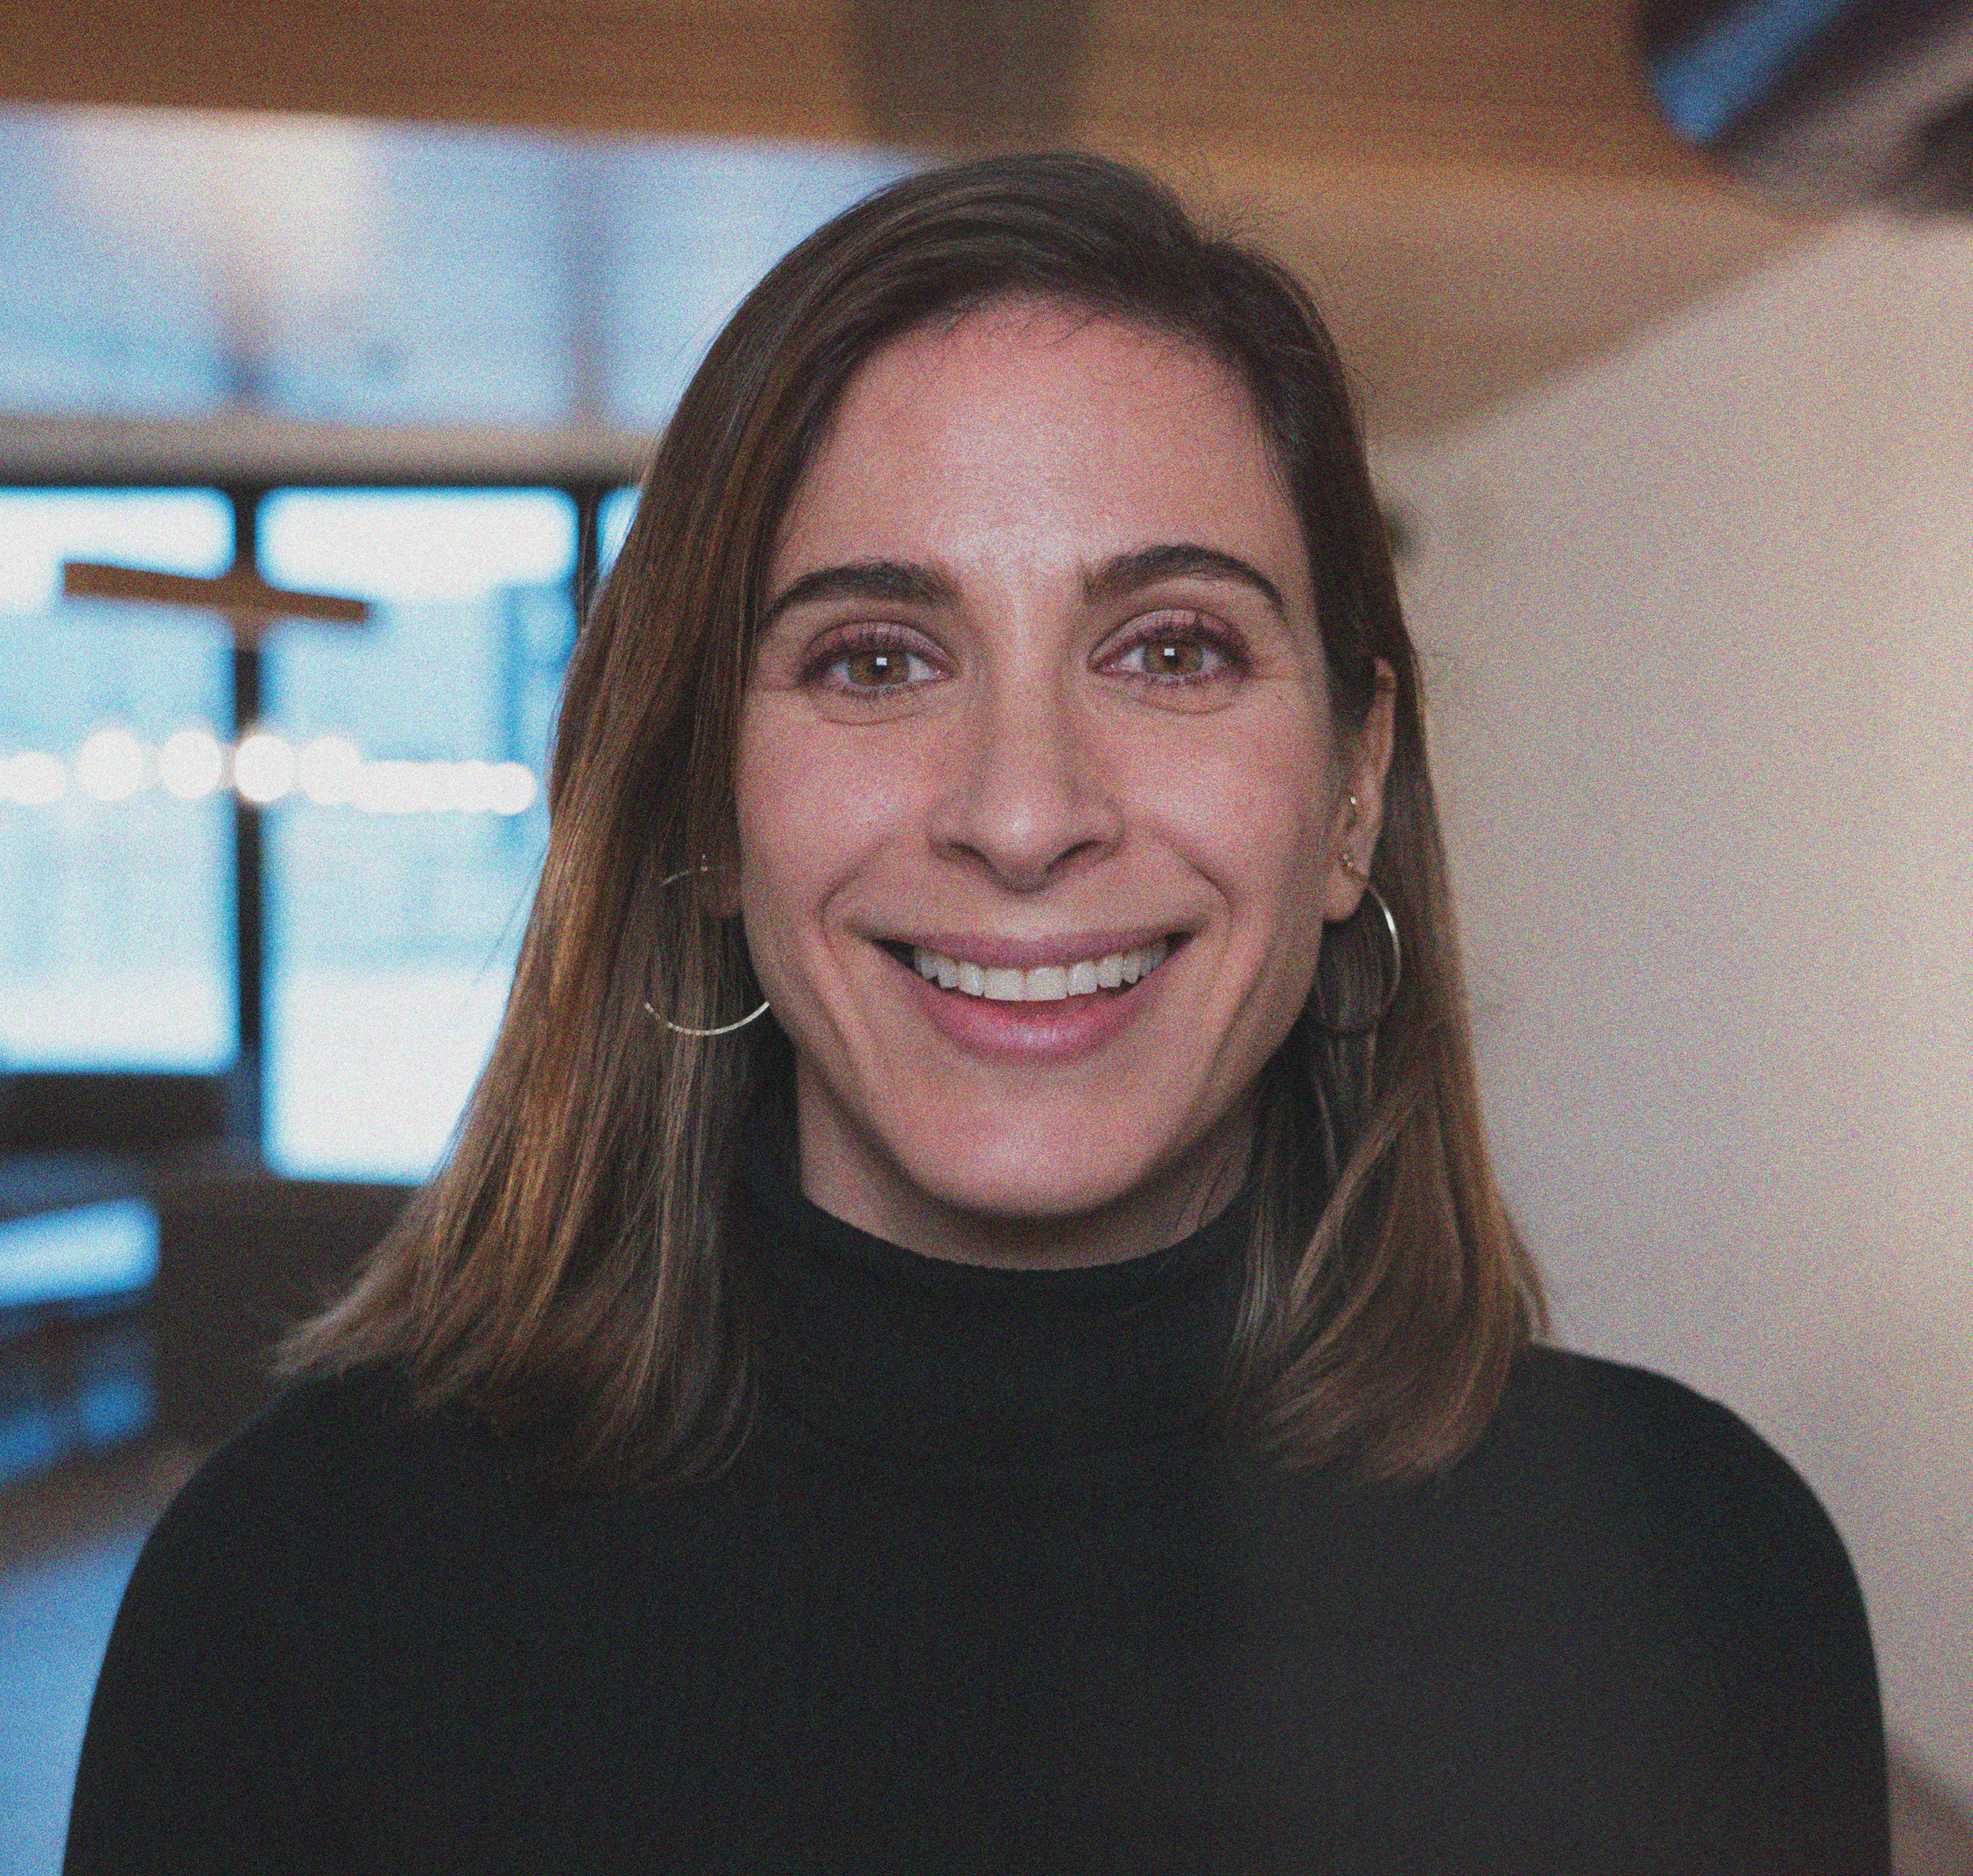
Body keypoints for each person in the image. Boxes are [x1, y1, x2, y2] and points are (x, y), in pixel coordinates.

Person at [65, 152, 1889, 1874]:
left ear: (1349, 789)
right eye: (875, 659)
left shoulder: (1696, 1572)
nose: (1022, 814)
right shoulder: (302, 1593)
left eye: (1170, 648)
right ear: (705, 808)